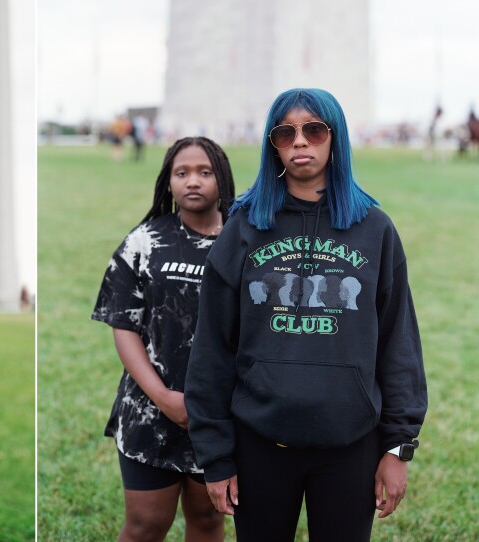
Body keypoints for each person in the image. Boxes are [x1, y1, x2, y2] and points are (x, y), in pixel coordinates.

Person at [184, 88, 427, 542]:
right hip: (259, 443)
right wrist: (216, 456)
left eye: (314, 130)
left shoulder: (375, 229)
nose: (300, 142)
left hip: (351, 445)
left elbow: (399, 344)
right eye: (285, 132)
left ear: (335, 140)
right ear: (272, 144)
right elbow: (212, 348)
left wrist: (398, 448)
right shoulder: (243, 228)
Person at [92, 137, 237, 542]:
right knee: (145, 525)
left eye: (205, 172)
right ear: (168, 182)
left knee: (208, 521)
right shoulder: (144, 241)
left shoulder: (243, 244)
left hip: (219, 414)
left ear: (222, 179)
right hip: (150, 409)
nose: (193, 181)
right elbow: (124, 326)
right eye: (182, 173)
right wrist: (164, 398)